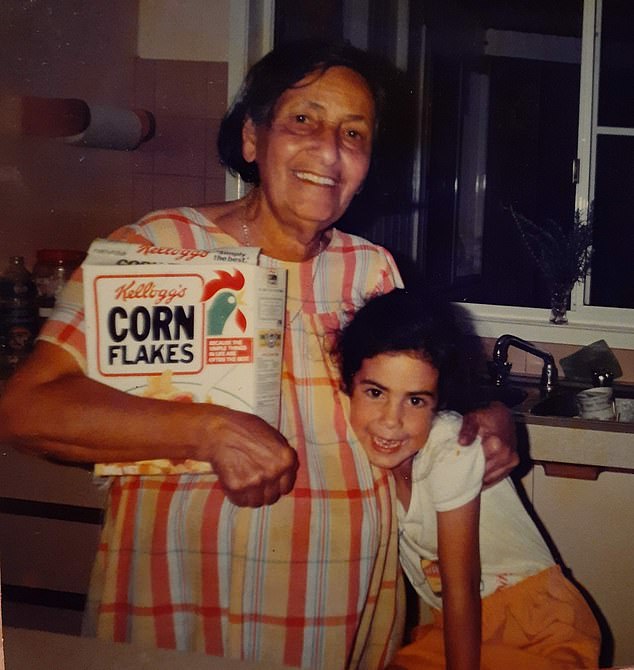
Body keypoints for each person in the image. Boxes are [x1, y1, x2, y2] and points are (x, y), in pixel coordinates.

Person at [0, 40, 519, 669]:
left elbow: (416, 392)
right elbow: (24, 410)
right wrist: (206, 429)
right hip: (185, 608)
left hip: (342, 615)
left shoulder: (372, 271)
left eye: (353, 133)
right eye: (304, 119)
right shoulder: (162, 247)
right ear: (252, 139)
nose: (329, 150)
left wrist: (485, 411)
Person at [336, 288, 601, 670]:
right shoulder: (365, 449)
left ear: (438, 403)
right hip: (457, 624)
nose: (391, 421)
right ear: (348, 386)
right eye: (376, 392)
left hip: (535, 622)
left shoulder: (448, 447)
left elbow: (460, 589)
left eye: (415, 400)